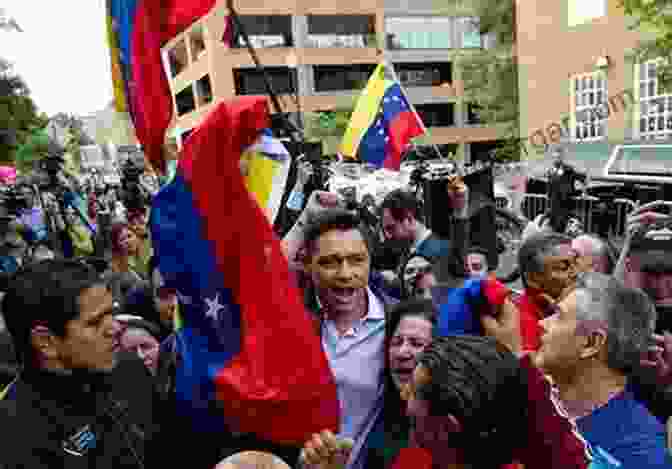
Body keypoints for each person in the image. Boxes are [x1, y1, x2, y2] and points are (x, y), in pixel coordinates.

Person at [0, 259, 162, 468]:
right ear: (45, 341)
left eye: (111, 313)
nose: (114, 328)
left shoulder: (129, 368)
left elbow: (166, 447)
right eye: (95, 322)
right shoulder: (13, 432)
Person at [536, 272, 672, 467]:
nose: (542, 324)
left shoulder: (638, 455)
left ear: (591, 343)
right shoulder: (536, 402)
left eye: (558, 316)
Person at [516, 232, 578, 352]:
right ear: (533, 279)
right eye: (564, 267)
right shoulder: (525, 325)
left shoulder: (561, 309)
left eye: (576, 263)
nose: (576, 273)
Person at [380, 189, 451, 263]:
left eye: (390, 228)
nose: (387, 236)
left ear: (409, 218)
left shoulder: (440, 253)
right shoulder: (413, 253)